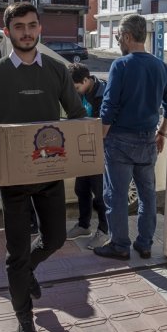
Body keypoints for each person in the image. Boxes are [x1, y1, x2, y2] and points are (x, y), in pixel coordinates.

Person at [0, 2, 85, 332]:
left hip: (49, 173)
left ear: (40, 29)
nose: (27, 32)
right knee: (15, 254)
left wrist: (81, 138)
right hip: (13, 178)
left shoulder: (56, 71)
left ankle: (28, 269)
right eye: (19, 27)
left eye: (32, 25)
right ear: (8, 32)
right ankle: (24, 322)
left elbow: (77, 114)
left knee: (56, 238)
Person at [93, 14, 167, 261]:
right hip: (148, 139)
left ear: (127, 36)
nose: (118, 42)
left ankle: (119, 245)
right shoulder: (161, 66)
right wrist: (162, 133)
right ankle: (145, 244)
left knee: (115, 195)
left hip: (119, 141)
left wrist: (100, 140)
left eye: (118, 37)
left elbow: (109, 106)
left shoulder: (121, 65)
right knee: (147, 195)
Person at [65, 62, 109, 250]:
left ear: (86, 80)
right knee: (81, 189)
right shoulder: (80, 94)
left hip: (101, 152)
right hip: (83, 149)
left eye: (77, 88)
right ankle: (84, 225)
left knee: (100, 195)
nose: (76, 92)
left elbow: (104, 126)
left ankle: (104, 230)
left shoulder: (104, 94)